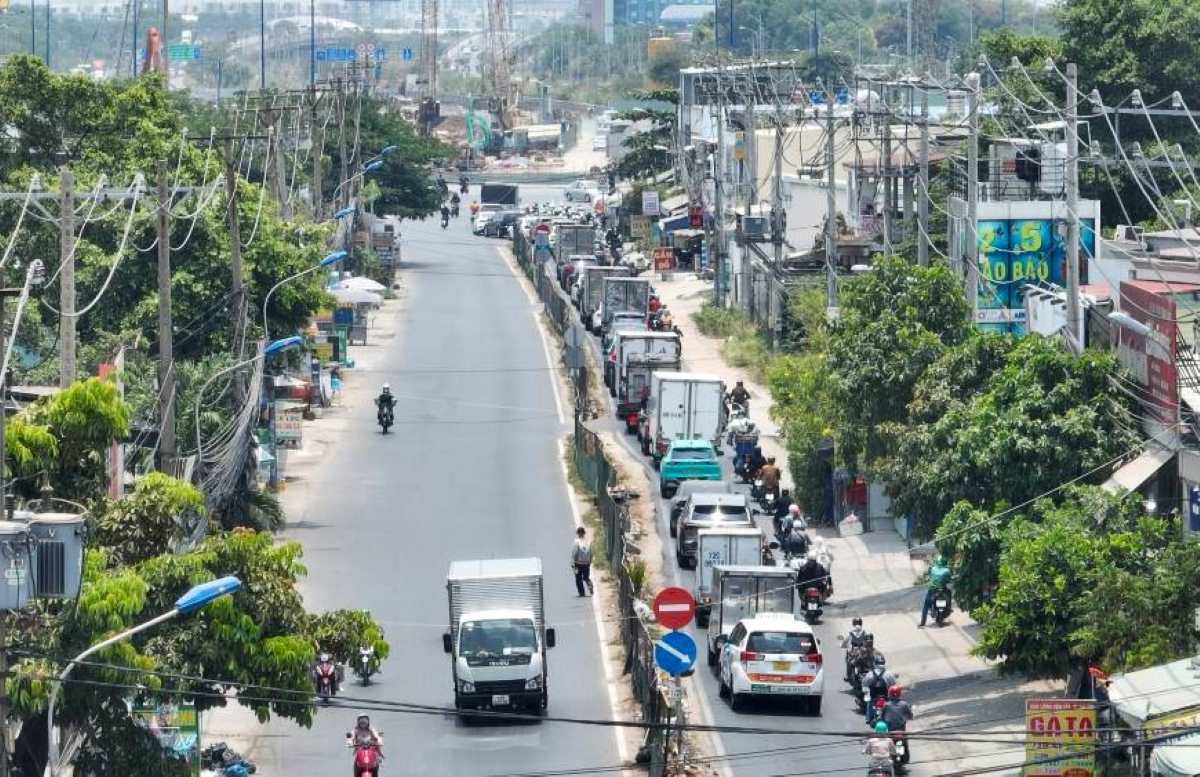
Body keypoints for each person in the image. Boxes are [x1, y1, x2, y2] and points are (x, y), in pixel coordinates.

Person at [918, 556, 953, 628]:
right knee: (949, 593)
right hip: (942, 590)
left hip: (932, 590)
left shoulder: (933, 569)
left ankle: (922, 623)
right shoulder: (947, 570)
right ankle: (949, 607)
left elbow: (931, 577)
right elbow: (949, 580)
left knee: (926, 605)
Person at [863, 656, 898, 724]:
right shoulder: (888, 674)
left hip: (874, 697)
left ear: (875, 663)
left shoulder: (870, 674)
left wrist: (866, 693)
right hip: (886, 696)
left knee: (869, 702)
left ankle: (868, 718)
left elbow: (864, 684)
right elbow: (894, 685)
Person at [571, 526, 594, 597]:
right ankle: (589, 584)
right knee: (586, 577)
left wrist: (573, 562)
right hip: (586, 563)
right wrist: (589, 561)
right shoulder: (588, 541)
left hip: (578, 563)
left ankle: (581, 592)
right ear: (584, 533)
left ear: (578, 533)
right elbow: (591, 552)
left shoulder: (576, 542)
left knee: (578, 578)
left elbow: (574, 552)